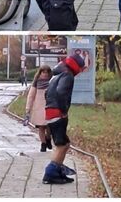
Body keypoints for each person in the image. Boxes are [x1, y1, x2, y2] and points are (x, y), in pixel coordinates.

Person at [42, 53, 85, 184]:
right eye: (82, 68)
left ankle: (58, 171)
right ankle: (50, 173)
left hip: (50, 111)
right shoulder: (68, 75)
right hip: (58, 113)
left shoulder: (58, 74)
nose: (82, 71)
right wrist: (63, 110)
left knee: (64, 144)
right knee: (61, 145)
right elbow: (61, 92)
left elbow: (46, 93)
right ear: (77, 66)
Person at [25, 65, 53, 152]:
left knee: (49, 127)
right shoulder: (36, 82)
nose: (45, 74)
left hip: (49, 107)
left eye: (46, 72)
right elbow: (31, 96)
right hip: (39, 108)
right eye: (43, 72)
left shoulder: (52, 82)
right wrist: (28, 108)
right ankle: (43, 144)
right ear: (40, 73)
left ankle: (48, 138)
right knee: (41, 127)